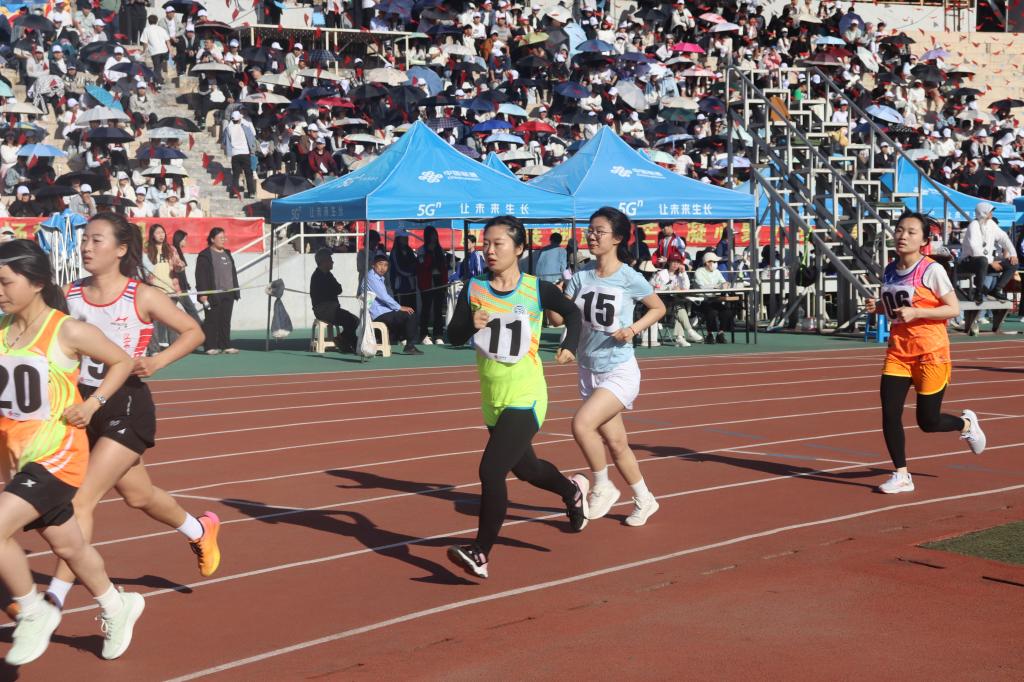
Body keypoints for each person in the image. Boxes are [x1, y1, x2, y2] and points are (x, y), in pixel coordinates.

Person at [41, 213, 215, 615]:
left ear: (121, 249)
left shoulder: (142, 295)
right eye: (84, 240)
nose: (86, 247)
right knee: (139, 495)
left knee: (80, 500)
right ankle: (199, 529)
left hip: (126, 405)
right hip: (81, 404)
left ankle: (53, 600)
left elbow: (194, 332)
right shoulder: (69, 294)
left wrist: (157, 361)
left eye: (96, 240)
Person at [0, 239, 144, 664]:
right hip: (19, 456)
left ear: (36, 282)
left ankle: (33, 611)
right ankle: (117, 604)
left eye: (6, 282)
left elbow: (121, 362)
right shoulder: (3, 330)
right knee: (70, 547)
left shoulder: (66, 330)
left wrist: (93, 404)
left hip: (59, 455)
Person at [445, 215, 588, 579]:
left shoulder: (536, 289)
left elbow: (573, 314)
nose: (489, 251)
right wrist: (469, 324)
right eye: (485, 244)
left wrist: (570, 346)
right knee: (527, 469)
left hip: (526, 394)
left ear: (520, 249)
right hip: (492, 397)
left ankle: (480, 552)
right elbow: (452, 336)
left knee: (491, 470)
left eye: (498, 244)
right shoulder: (474, 288)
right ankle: (571, 491)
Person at [551, 207, 667, 526]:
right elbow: (559, 319)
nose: (592, 236)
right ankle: (645, 499)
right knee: (617, 444)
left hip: (619, 369)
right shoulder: (581, 276)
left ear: (616, 238)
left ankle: (602, 486)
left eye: (599, 231)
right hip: (589, 369)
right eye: (590, 230)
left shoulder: (629, 277)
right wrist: (553, 299)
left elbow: (658, 308)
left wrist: (632, 329)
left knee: (581, 425)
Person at [866, 212, 986, 494]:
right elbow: (896, 309)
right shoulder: (890, 269)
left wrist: (917, 312)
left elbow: (953, 309)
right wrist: (879, 307)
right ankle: (901, 475)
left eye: (911, 232)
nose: (902, 236)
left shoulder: (931, 270)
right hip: (898, 352)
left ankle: (966, 424)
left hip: (931, 353)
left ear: (923, 240)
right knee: (890, 413)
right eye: (899, 230)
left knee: (928, 422)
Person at [363, 254, 423, 355]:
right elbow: (384, 297)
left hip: (384, 312)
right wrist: (399, 307)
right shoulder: (371, 277)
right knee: (410, 314)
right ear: (373, 265)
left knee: (404, 317)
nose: (383, 268)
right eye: (380, 264)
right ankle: (409, 346)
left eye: (386, 265)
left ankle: (386, 341)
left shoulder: (378, 277)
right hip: (378, 314)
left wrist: (397, 308)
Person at [958, 202, 1018, 303]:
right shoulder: (974, 225)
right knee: (982, 260)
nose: (992, 214)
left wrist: (1013, 254)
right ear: (984, 213)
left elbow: (1004, 238)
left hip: (986, 262)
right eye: (990, 211)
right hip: (969, 262)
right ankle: (978, 293)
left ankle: (996, 290)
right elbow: (974, 249)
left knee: (1013, 263)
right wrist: (991, 262)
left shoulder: (991, 224)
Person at [195, 228, 239, 355]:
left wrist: (235, 290)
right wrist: (203, 294)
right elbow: (201, 276)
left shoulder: (227, 253)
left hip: (229, 292)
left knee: (225, 320)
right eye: (220, 238)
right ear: (212, 239)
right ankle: (210, 346)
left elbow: (232, 273)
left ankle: (225, 345)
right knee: (211, 320)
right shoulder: (205, 255)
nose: (223, 240)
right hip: (213, 293)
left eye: (224, 237)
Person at [310, 247, 359, 353]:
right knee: (352, 320)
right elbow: (335, 289)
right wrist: (333, 290)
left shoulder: (328, 274)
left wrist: (333, 290)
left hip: (331, 309)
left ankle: (342, 339)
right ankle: (350, 343)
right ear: (324, 261)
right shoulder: (318, 277)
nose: (332, 262)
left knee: (354, 320)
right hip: (324, 311)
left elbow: (338, 289)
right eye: (330, 259)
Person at [651, 253, 704, 346]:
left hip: (674, 304)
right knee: (679, 307)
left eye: (678, 262)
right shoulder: (661, 274)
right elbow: (656, 288)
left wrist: (683, 273)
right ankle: (689, 331)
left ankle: (680, 337)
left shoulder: (680, 275)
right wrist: (670, 288)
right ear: (669, 262)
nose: (676, 264)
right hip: (663, 304)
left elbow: (686, 287)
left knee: (679, 308)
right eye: (673, 262)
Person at [416, 226, 449, 345]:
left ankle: (438, 334)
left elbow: (444, 268)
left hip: (439, 281)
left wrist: (445, 283)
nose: (433, 237)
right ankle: (424, 334)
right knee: (426, 309)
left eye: (435, 235)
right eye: (431, 235)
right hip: (426, 283)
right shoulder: (421, 250)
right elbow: (422, 267)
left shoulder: (440, 249)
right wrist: (429, 252)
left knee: (438, 309)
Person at [694, 252, 734, 344]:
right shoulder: (699, 272)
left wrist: (726, 284)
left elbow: (723, 282)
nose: (716, 264)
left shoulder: (717, 272)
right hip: (702, 300)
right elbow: (701, 286)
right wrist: (716, 286)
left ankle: (720, 333)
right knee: (712, 312)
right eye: (714, 262)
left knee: (727, 311)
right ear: (707, 262)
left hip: (716, 299)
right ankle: (710, 334)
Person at [221, 110, 256, 199]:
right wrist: (252, 150)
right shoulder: (245, 127)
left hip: (235, 154)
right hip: (245, 153)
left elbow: (224, 141)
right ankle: (251, 192)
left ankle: (235, 193)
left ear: (232, 119)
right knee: (248, 174)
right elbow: (252, 139)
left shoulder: (228, 129)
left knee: (236, 175)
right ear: (240, 119)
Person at [170, 229, 203, 325]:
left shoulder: (178, 251)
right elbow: (177, 270)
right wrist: (183, 286)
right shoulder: (173, 251)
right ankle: (200, 329)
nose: (186, 241)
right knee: (192, 311)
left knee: (169, 312)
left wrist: (186, 284)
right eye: (184, 239)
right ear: (179, 239)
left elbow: (182, 272)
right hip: (179, 288)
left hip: (180, 287)